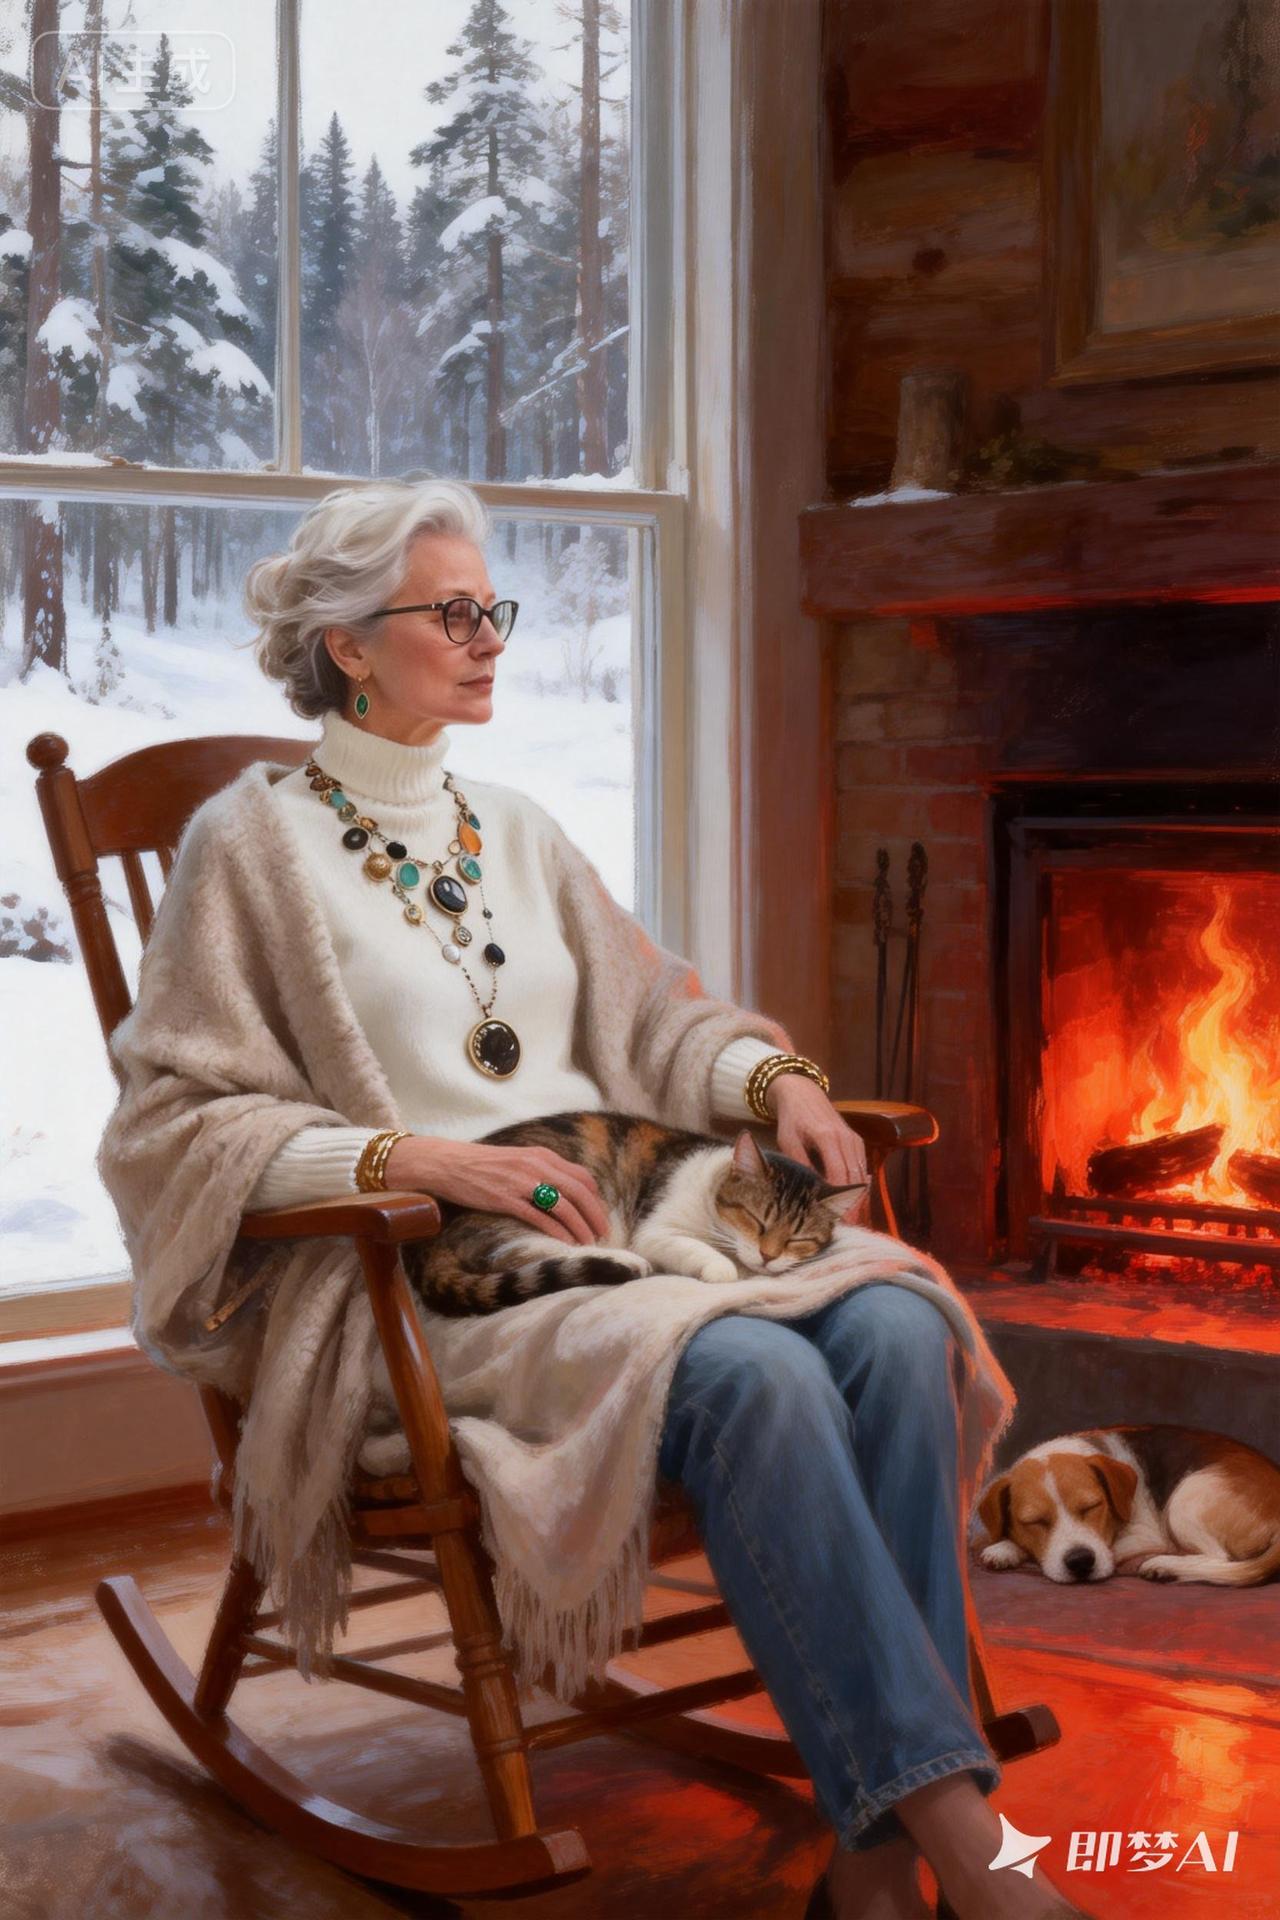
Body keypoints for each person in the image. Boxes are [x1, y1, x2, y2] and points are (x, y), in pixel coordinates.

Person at [101, 479, 1085, 1920]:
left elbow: (656, 1019)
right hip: (433, 1275)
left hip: (637, 1222)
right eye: (452, 613)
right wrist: (411, 1159)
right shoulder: (245, 851)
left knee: (893, 1330)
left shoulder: (516, 824)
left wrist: (772, 1083)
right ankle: (972, 1853)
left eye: (490, 606)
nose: (489, 635)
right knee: (756, 1374)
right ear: (350, 646)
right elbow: (176, 1122)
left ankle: (875, 1861)